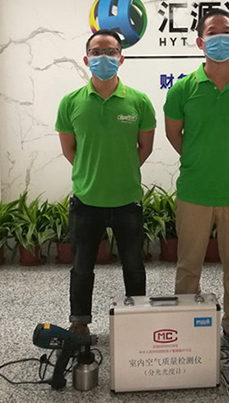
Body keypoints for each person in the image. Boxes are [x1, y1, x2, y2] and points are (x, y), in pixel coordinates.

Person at [164, 8, 229, 337]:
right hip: (194, 192)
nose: (220, 38)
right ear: (200, 41)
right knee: (188, 266)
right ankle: (186, 326)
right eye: (212, 32)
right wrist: (198, 157)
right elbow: (173, 134)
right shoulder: (182, 89)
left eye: (226, 31)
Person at [56, 29, 156, 337]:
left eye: (111, 52)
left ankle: (136, 318)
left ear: (121, 58)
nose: (104, 57)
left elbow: (145, 148)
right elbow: (69, 150)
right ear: (86, 60)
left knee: (134, 265)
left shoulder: (139, 101)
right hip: (86, 200)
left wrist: (121, 170)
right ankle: (79, 322)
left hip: (128, 199)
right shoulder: (70, 102)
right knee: (82, 267)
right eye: (97, 52)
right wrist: (92, 173)